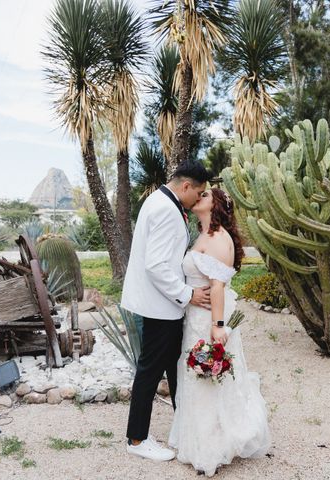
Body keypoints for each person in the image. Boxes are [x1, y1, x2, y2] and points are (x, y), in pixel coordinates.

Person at [169, 188, 271, 476]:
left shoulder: (217, 238)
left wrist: (217, 327)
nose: (199, 195)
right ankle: (202, 438)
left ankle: (211, 447)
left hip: (206, 320)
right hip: (195, 316)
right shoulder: (204, 235)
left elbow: (217, 287)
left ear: (217, 205)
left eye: (206, 194)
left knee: (206, 378)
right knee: (198, 379)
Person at [122, 161, 214, 461]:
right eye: (198, 193)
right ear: (185, 186)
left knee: (175, 370)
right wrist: (187, 294)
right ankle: (137, 440)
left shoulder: (159, 200)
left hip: (163, 305)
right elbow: (157, 265)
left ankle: (183, 429)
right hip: (160, 305)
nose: (198, 199)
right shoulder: (165, 208)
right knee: (150, 370)